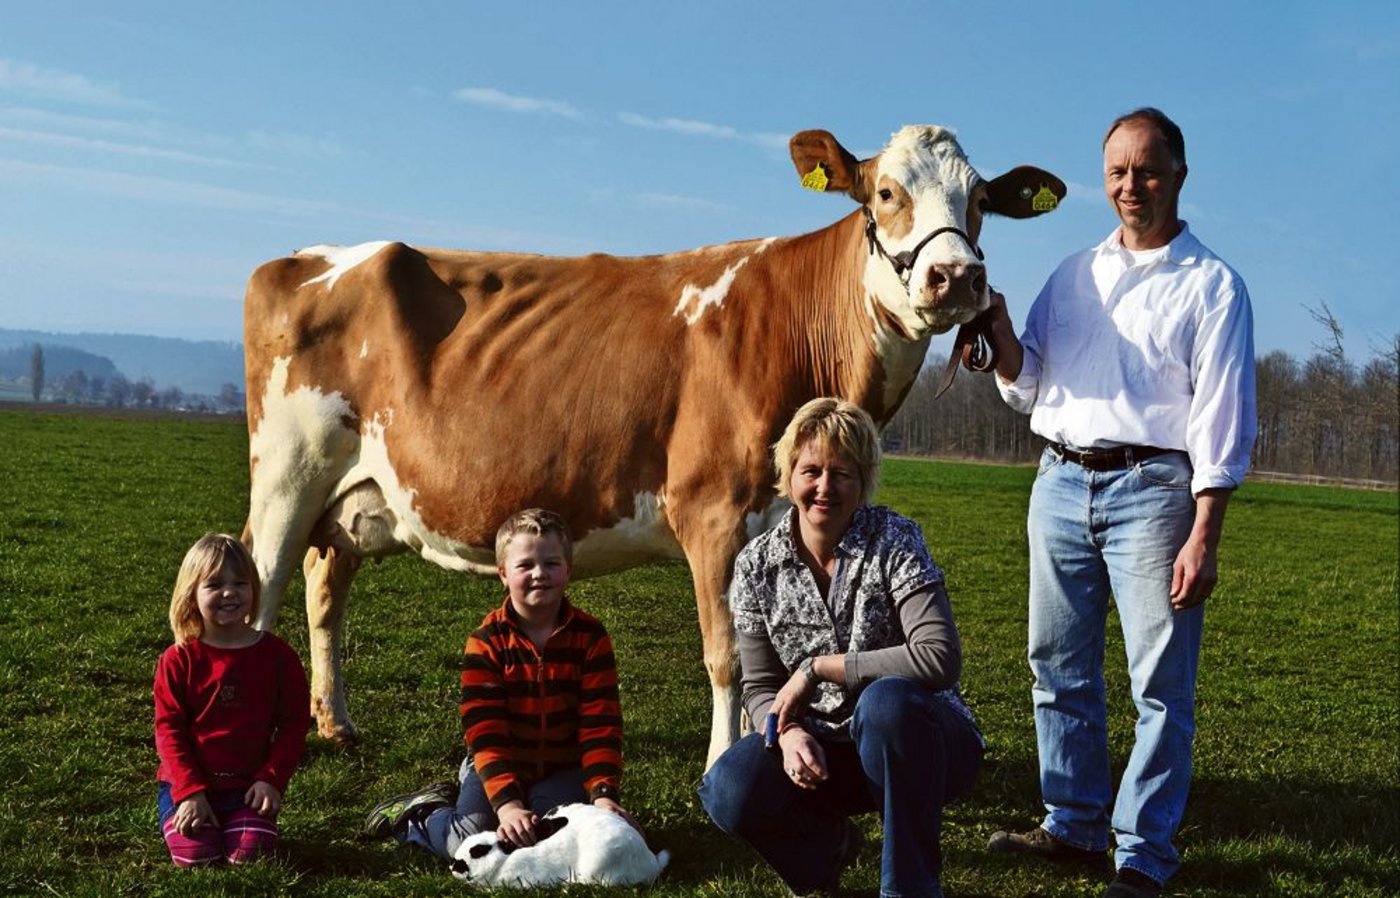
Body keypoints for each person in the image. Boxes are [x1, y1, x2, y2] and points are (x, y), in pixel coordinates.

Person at [982, 107, 1256, 898]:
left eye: (1145, 169)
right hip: (1059, 482)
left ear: (1178, 174)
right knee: (1056, 666)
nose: (1129, 185)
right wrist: (998, 331)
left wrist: (1205, 532)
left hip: (1155, 491)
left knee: (1159, 686)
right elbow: (1030, 381)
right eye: (1116, 172)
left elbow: (1222, 422)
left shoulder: (1212, 285)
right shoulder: (1075, 273)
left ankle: (1143, 853)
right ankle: (1071, 824)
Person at [699, 397, 983, 898]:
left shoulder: (895, 539)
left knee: (887, 702)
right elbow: (761, 685)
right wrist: (785, 733)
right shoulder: (754, 565)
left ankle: (909, 888)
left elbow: (939, 656)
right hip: (823, 750)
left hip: (921, 741)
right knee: (730, 788)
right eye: (811, 471)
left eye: (842, 473)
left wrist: (819, 668)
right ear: (787, 476)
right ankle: (826, 850)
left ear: (863, 481)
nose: (825, 487)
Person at [363, 508, 637, 858]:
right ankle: (420, 815)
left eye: (552, 563)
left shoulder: (590, 637)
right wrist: (507, 804)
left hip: (563, 767)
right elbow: (484, 729)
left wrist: (602, 795)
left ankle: (536, 809)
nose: (540, 574)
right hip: (496, 762)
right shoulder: (487, 641)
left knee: (548, 838)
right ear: (504, 574)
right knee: (470, 843)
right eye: (526, 565)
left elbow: (601, 724)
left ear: (568, 570)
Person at [153, 532, 311, 868]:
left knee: (250, 855)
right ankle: (188, 813)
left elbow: (294, 725)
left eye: (240, 582)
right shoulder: (178, 659)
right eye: (214, 585)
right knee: (195, 856)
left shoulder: (279, 657)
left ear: (254, 589)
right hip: (189, 786)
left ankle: (240, 824)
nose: (229, 592)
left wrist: (271, 779)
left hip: (248, 787)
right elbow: (169, 731)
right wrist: (189, 792)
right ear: (191, 595)